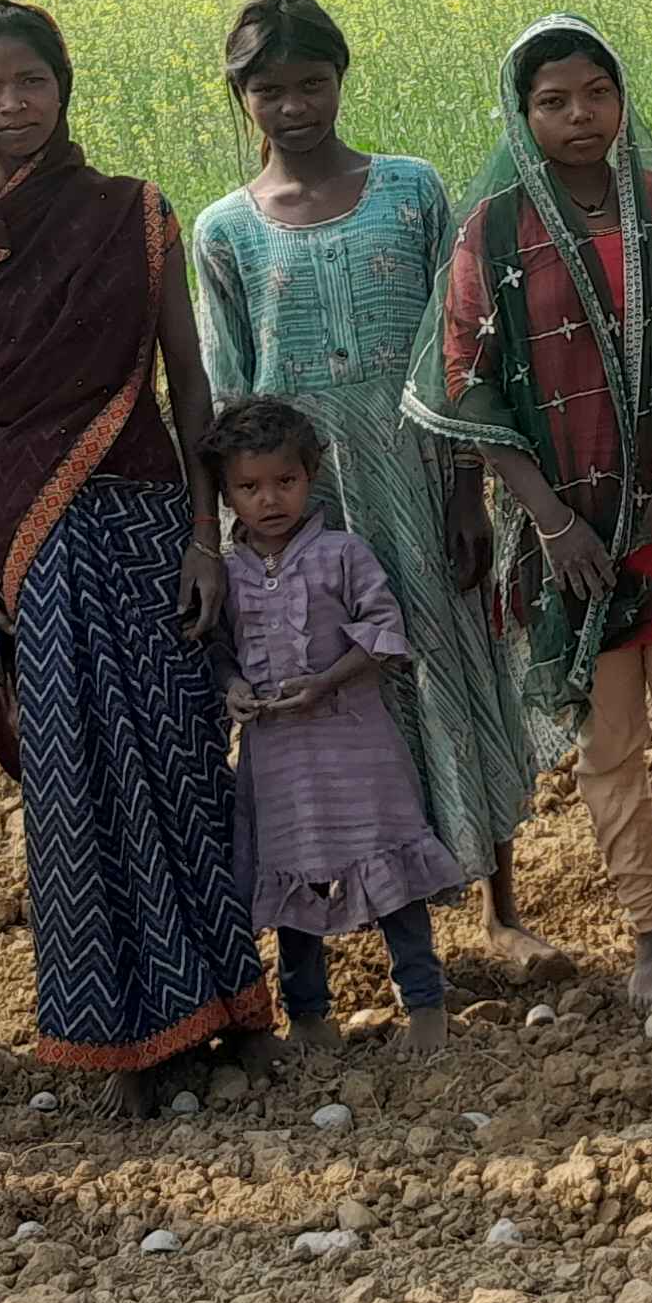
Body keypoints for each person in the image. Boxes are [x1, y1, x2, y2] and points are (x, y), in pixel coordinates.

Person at [0, 0, 268, 1116]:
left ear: (64, 85)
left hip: (147, 516)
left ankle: (228, 1007)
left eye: (33, 81)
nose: (13, 104)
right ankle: (122, 1043)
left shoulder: (132, 213)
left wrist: (206, 535)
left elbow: (186, 383)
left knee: (185, 759)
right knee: (76, 786)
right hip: (26, 540)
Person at [189, 0, 551, 975]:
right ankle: (383, 929)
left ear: (341, 78)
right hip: (304, 504)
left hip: (420, 477)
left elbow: (462, 345)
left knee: (451, 666)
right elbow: (229, 389)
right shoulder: (223, 231)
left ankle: (501, 907)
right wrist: (248, 533)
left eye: (312, 83)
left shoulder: (412, 191)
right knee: (347, 698)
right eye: (270, 90)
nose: (294, 106)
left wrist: (467, 490)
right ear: (241, 96)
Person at [404, 14, 652, 1018]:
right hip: (564, 529)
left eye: (597, 93)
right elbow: (467, 379)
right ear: (521, 113)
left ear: (621, 98)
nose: (580, 115)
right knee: (609, 742)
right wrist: (548, 520)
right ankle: (649, 938)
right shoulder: (494, 230)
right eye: (553, 101)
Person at [205, 398, 464, 1057]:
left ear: (311, 476)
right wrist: (233, 688)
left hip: (355, 747)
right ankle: (309, 1016)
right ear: (225, 493)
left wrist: (326, 680)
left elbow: (385, 631)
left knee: (391, 869)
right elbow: (219, 653)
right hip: (278, 758)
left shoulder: (342, 553)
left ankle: (425, 1004)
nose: (269, 500)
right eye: (249, 487)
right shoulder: (226, 573)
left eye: (285, 481)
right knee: (293, 880)